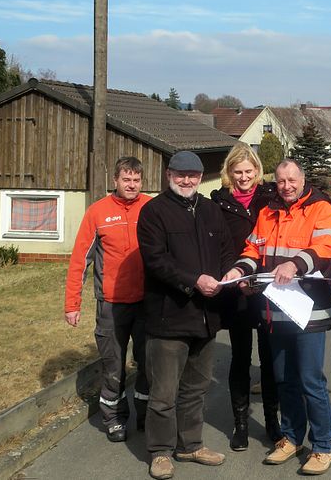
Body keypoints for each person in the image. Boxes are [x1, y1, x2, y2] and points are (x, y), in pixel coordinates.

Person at [222, 159, 331, 476]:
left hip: (308, 311)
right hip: (275, 309)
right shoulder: (267, 211)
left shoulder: (321, 208)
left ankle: (322, 446)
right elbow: (253, 248)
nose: (286, 186)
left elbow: (327, 245)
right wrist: (240, 271)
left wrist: (294, 265)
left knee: (310, 380)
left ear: (303, 179)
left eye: (292, 180)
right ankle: (290, 437)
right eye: (281, 181)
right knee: (283, 377)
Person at [137, 150, 234, 480]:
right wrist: (195, 281)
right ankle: (160, 452)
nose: (187, 180)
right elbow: (156, 261)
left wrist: (228, 275)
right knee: (163, 392)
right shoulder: (153, 212)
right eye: (180, 174)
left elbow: (224, 252)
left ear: (200, 177)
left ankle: (190, 445)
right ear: (168, 175)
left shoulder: (210, 211)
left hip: (205, 315)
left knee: (196, 387)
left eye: (192, 175)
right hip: (168, 317)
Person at [64, 156, 151, 443]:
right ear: (115, 180)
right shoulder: (97, 212)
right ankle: (114, 418)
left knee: (147, 362)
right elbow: (80, 260)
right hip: (111, 304)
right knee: (113, 367)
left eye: (136, 180)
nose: (131, 185)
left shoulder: (150, 208)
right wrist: (72, 304)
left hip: (146, 303)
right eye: (126, 180)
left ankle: (145, 413)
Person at [210, 143, 281, 450]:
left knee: (269, 359)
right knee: (240, 358)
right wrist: (232, 275)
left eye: (248, 171)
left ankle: (272, 422)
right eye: (237, 172)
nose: (243, 177)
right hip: (236, 287)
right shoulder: (218, 202)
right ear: (229, 172)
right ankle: (240, 424)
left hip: (266, 287)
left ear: (257, 170)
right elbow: (218, 245)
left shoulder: (270, 197)